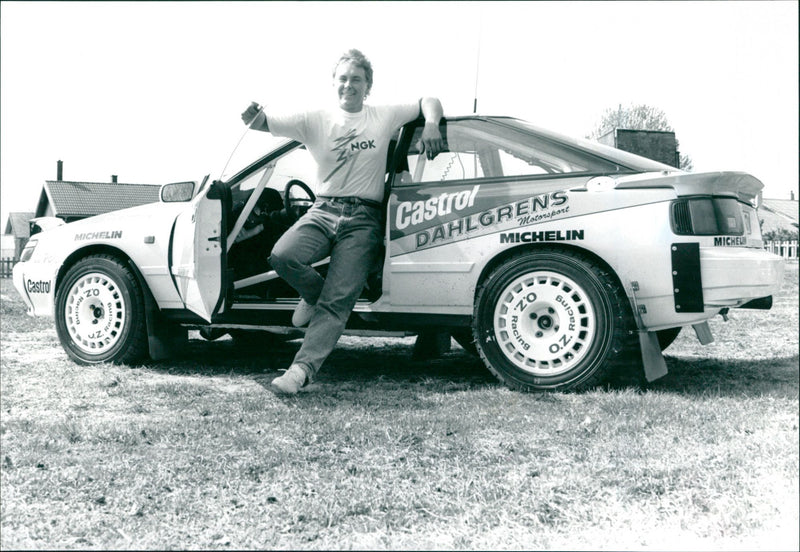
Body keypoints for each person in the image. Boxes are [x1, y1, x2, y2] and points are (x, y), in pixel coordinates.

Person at [240, 49, 444, 394]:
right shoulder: (315, 118)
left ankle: (300, 372)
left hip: (364, 219)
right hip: (323, 208)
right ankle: (312, 293)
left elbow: (429, 98)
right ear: (334, 83)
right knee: (282, 255)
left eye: (357, 80)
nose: (349, 85)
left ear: (368, 87)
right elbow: (263, 123)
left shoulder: (381, 115)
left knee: (338, 301)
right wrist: (252, 116)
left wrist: (432, 123)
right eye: (343, 79)